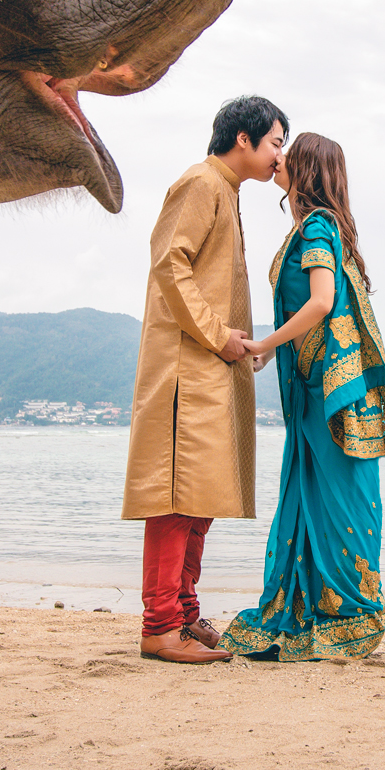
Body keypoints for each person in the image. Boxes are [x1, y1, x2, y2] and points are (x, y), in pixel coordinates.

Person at [220, 132, 385, 661]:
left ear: (305, 169)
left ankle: (352, 611)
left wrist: (265, 343)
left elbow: (323, 302)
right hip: (312, 387)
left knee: (339, 495)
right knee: (315, 498)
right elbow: (311, 309)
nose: (277, 158)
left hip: (327, 391)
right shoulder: (312, 229)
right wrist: (276, 351)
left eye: (288, 152)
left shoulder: (319, 226)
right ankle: (316, 606)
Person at [121, 96, 286, 663]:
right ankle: (160, 625)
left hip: (211, 366)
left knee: (202, 497)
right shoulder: (200, 182)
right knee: (176, 499)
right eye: (274, 142)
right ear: (244, 139)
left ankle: (184, 616)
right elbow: (170, 262)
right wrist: (219, 336)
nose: (278, 155)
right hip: (185, 370)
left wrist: (235, 342)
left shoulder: (227, 191)